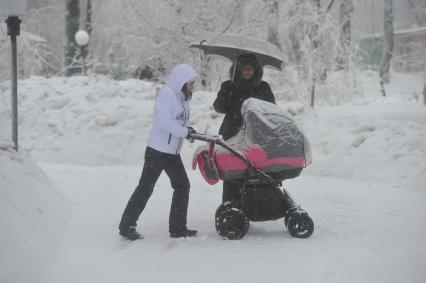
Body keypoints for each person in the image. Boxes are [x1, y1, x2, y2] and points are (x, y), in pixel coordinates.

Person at [119, 64, 198, 240]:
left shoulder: (184, 98)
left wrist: (188, 131)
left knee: (182, 186)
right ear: (182, 82)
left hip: (172, 153)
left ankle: (178, 228)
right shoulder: (167, 95)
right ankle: (126, 226)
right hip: (157, 151)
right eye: (191, 83)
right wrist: (185, 132)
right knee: (145, 188)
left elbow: (179, 124)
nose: (193, 86)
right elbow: (165, 122)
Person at [213, 53, 276, 204]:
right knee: (232, 172)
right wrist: (226, 95)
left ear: (256, 70)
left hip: (256, 135)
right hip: (232, 134)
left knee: (256, 171)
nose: (247, 72)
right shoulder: (228, 85)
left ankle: (251, 204)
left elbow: (272, 108)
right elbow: (218, 107)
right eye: (244, 69)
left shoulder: (263, 87)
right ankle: (230, 206)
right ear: (238, 70)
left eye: (251, 69)